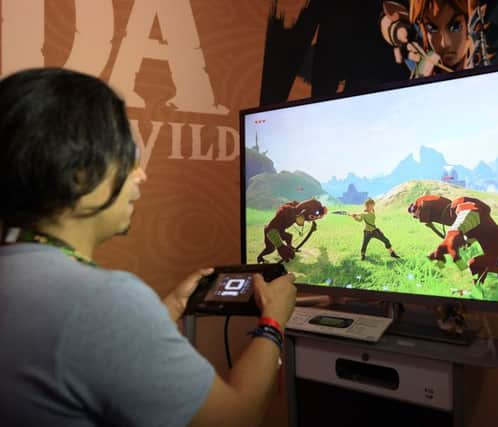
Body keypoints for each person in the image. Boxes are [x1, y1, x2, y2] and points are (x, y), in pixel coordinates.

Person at [0, 68, 297, 427]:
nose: (141, 175)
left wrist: (167, 309)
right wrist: (272, 322)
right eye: (128, 157)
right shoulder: (103, 301)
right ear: (77, 173)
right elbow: (236, 418)